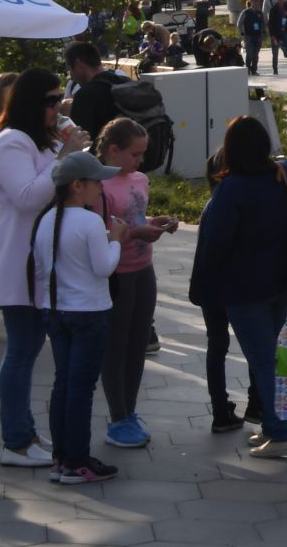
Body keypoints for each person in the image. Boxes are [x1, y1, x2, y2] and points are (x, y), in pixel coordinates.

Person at [0, 68, 72, 468]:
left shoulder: (34, 139)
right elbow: (29, 197)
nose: (57, 107)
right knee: (21, 349)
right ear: (32, 103)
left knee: (29, 348)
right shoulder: (10, 142)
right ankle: (15, 440)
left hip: (31, 257)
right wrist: (63, 157)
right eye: (51, 101)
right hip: (15, 258)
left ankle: (25, 432)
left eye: (60, 99)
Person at [189, 115, 287, 459]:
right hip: (281, 280)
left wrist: (205, 281)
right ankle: (273, 425)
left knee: (263, 360)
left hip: (243, 287)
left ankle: (281, 432)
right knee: (274, 357)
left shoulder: (232, 188)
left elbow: (217, 241)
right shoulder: (285, 177)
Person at [32, 149, 131, 485]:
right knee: (80, 388)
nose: (101, 187)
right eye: (96, 181)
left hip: (56, 310)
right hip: (89, 312)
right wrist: (115, 240)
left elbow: (43, 269)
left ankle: (61, 457)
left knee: (63, 382)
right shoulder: (89, 222)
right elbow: (104, 267)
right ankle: (78, 461)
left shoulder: (47, 219)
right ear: (77, 185)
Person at [94, 119, 177, 450]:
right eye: (135, 153)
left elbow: (135, 217)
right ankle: (118, 417)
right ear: (113, 151)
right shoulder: (97, 185)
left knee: (138, 343)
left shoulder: (139, 179)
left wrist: (154, 223)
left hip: (144, 269)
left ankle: (129, 412)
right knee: (116, 347)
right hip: (117, 273)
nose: (141, 160)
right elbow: (100, 231)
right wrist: (136, 232)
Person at [64, 43, 125, 150]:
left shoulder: (85, 95)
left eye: (70, 70)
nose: (72, 76)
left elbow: (79, 146)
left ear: (78, 64)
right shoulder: (125, 82)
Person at [237, 0, 265, 75]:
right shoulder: (245, 12)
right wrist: (242, 32)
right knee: (250, 53)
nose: (256, 4)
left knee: (256, 54)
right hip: (248, 36)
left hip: (258, 36)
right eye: (254, 2)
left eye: (257, 2)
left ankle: (254, 70)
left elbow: (263, 23)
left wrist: (263, 32)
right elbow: (239, 23)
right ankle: (247, 68)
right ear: (251, 2)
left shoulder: (260, 13)